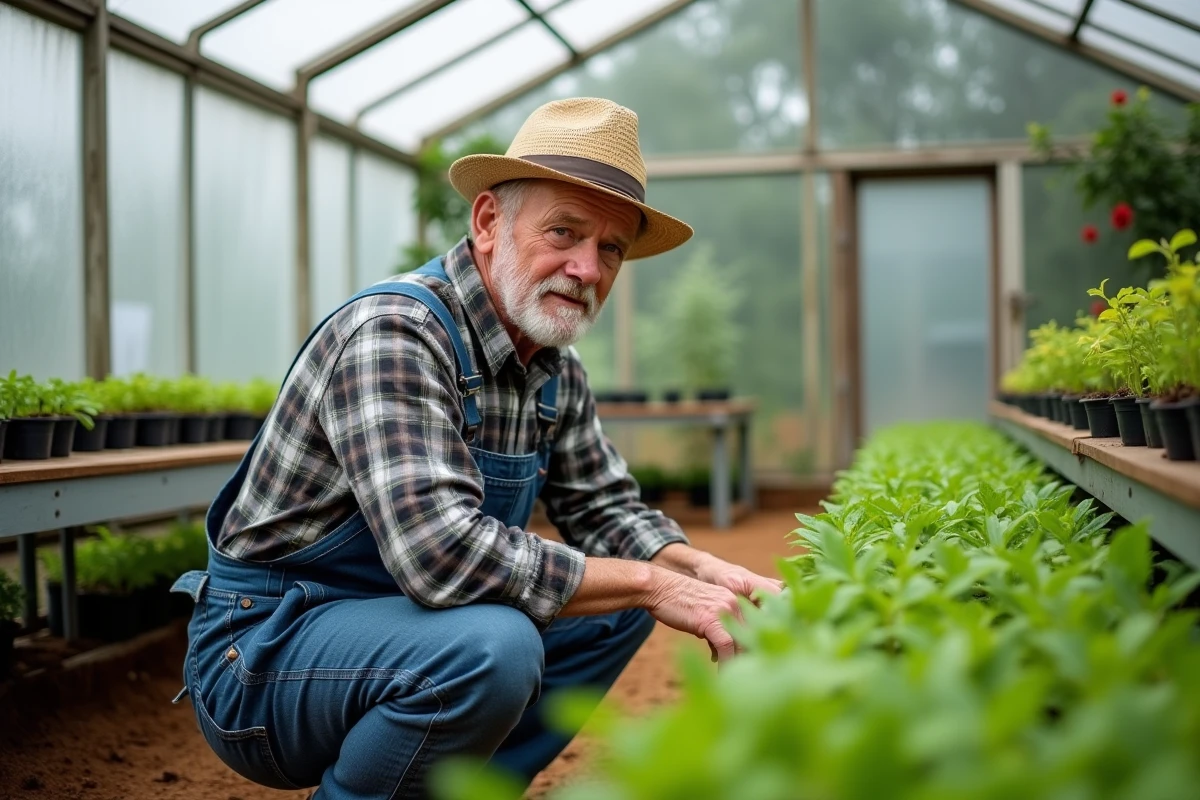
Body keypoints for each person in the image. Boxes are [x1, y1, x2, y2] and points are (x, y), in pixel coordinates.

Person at [172, 97, 782, 800]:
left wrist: (702, 571)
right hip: (267, 656)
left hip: (402, 634)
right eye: (564, 232)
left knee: (614, 603)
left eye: (609, 248)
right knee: (495, 647)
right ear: (489, 222)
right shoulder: (395, 336)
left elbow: (608, 510)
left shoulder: (555, 367)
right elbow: (441, 556)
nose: (587, 268)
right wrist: (657, 583)